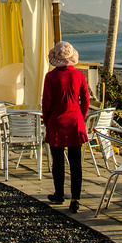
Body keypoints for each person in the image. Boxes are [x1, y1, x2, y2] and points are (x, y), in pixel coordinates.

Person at [42, 41, 89, 213]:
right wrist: (81, 116)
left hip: (56, 121)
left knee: (58, 162)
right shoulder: (79, 75)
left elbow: (46, 102)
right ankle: (75, 198)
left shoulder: (51, 77)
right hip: (75, 121)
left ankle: (59, 193)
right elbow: (85, 100)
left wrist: (46, 120)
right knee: (76, 164)